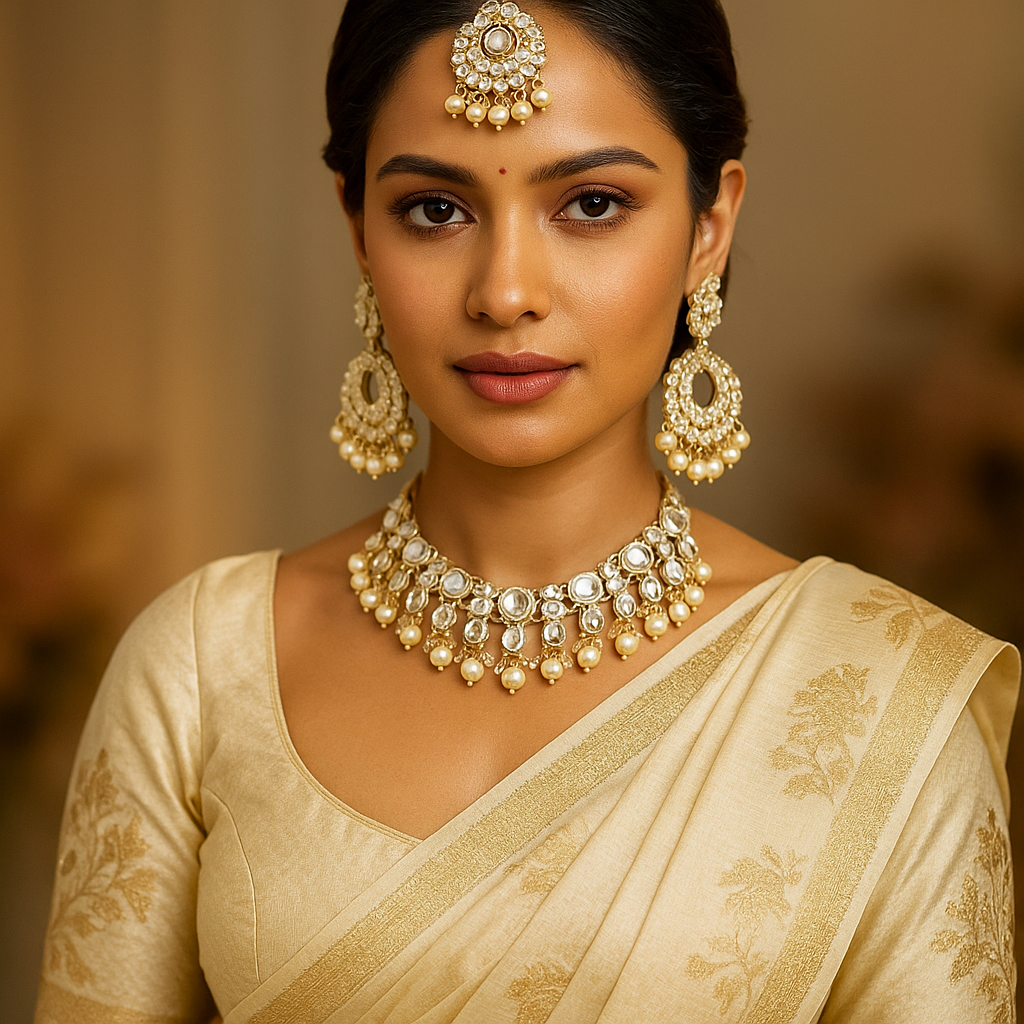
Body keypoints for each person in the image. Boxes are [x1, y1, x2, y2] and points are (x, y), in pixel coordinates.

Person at [33, 1, 1019, 1022]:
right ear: (356, 227)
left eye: (591, 203)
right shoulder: (203, 670)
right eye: (433, 210)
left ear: (708, 227)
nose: (505, 291)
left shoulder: (878, 693)